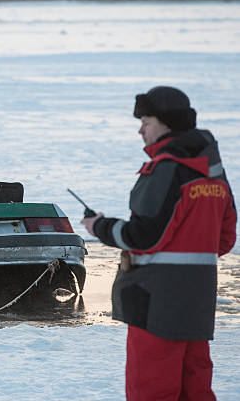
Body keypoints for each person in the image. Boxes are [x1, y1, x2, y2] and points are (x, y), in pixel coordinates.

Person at [81, 86, 236, 400]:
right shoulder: (213, 173)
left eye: (146, 122)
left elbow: (143, 235)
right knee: (195, 388)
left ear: (166, 124)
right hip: (197, 303)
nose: (140, 130)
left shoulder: (166, 168)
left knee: (151, 389)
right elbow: (224, 239)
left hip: (155, 303)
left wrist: (100, 226)